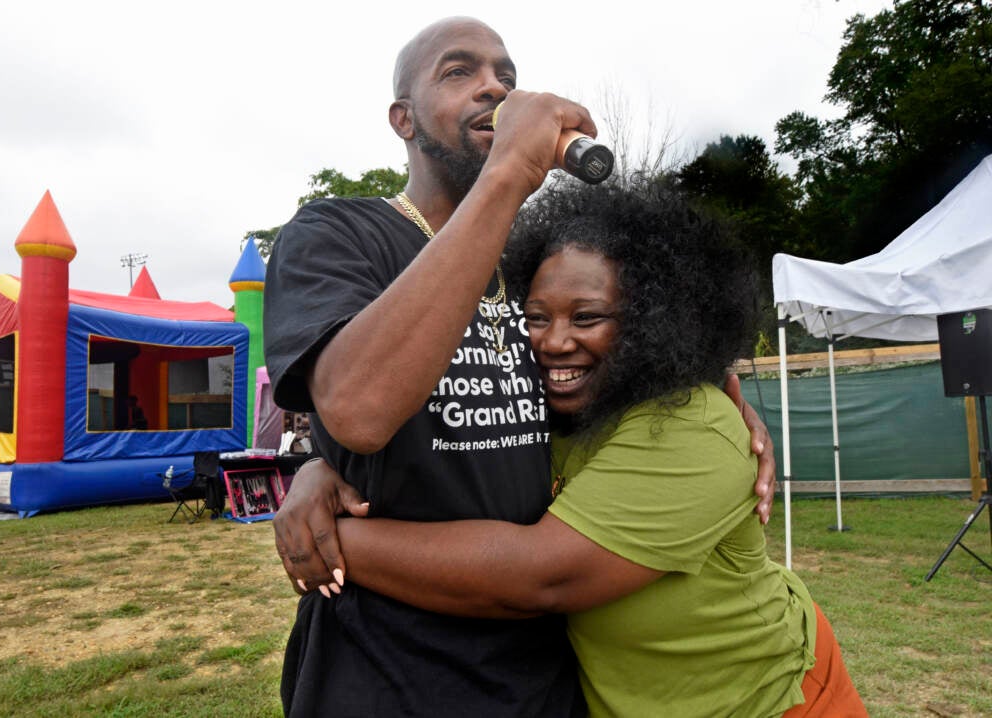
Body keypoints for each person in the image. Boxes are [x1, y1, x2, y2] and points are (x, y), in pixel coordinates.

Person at [264, 17, 775, 717]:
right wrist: (322, 465)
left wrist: (709, 381)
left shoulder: (527, 268)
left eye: (506, 74)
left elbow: (603, 356)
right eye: (459, 72)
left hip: (536, 679)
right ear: (403, 119)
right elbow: (357, 411)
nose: (494, 90)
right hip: (382, 672)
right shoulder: (337, 233)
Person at [313, 180, 867, 717]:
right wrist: (318, 468)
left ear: (655, 322)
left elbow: (541, 577)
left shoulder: (694, 425)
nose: (553, 342)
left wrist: (331, 541)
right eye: (535, 317)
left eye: (588, 317)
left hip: (773, 701)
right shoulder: (550, 411)